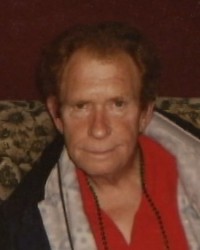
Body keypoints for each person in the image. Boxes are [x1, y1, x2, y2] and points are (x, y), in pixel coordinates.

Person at [0, 21, 198, 250]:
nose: (99, 129)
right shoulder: (25, 229)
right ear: (57, 115)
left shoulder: (189, 176)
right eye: (82, 106)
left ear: (145, 113)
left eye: (118, 104)